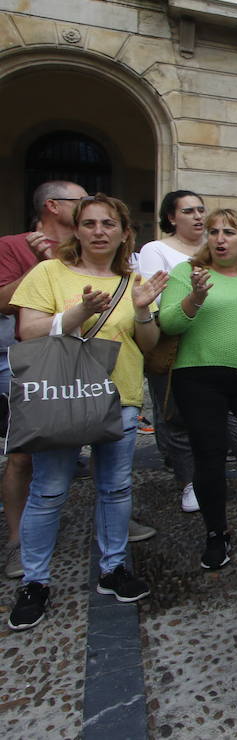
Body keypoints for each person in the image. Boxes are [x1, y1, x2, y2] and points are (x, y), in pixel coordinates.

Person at [7, 194, 168, 630]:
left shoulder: (133, 280)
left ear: (123, 231)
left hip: (120, 398)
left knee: (115, 488)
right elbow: (27, 330)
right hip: (61, 396)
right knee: (49, 491)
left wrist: (140, 310)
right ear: (76, 229)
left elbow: (148, 345)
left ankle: (113, 567)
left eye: (108, 224)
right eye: (91, 223)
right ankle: (36, 581)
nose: (100, 231)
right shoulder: (48, 272)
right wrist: (79, 311)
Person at [158, 208, 237, 570]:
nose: (220, 238)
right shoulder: (189, 272)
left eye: (229, 232)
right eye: (214, 231)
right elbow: (169, 322)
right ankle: (216, 534)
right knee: (209, 455)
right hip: (198, 375)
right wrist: (195, 297)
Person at [1, 180, 93, 580]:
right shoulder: (12, 245)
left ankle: (115, 522)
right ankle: (18, 540)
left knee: (104, 442)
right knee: (24, 453)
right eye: (82, 201)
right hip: (27, 362)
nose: (90, 207)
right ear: (53, 206)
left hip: (84, 359)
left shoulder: (86, 243)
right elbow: (3, 300)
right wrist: (43, 267)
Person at [136, 190, 206, 515]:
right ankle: (188, 480)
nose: (198, 216)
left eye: (201, 210)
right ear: (171, 217)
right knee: (174, 414)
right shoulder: (156, 249)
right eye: (189, 210)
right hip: (173, 345)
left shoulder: (215, 248)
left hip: (214, 343)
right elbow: (159, 298)